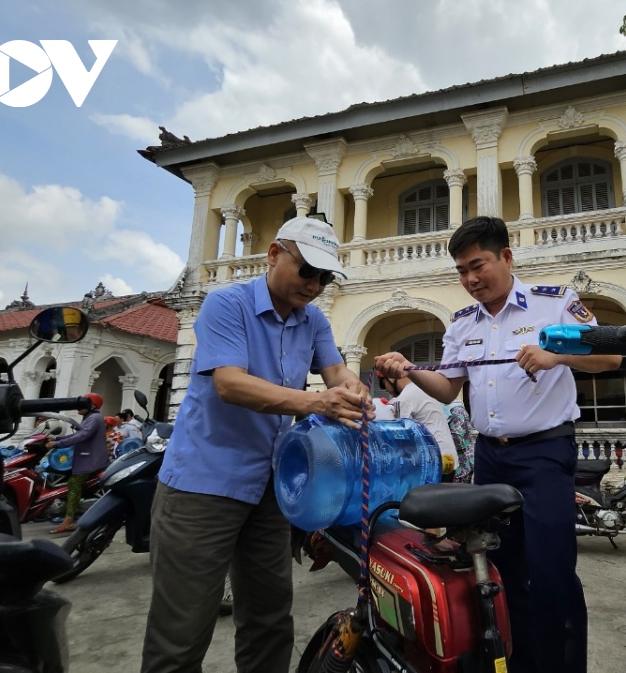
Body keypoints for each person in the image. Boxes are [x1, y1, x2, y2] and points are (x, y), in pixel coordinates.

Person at [374, 216, 621, 673]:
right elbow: (448, 389)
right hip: (490, 458)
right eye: (462, 271)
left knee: (551, 574)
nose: (470, 279)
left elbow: (611, 357)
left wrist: (556, 356)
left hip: (544, 454)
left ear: (506, 257)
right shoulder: (463, 323)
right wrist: (408, 369)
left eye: (478, 265)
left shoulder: (555, 303)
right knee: (500, 574)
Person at [140, 216, 371, 673]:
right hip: (203, 487)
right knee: (182, 631)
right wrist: (316, 403)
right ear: (273, 254)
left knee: (269, 619)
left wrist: (354, 389)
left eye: (325, 277)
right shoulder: (226, 304)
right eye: (307, 271)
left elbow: (336, 371)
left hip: (270, 487)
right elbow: (230, 385)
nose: (315, 285)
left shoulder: (314, 320)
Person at [45, 392, 108, 534]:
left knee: (74, 483)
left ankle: (68, 521)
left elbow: (82, 435)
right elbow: (76, 434)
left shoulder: (94, 418)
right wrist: (57, 439)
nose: (78, 407)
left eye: (82, 404)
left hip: (91, 460)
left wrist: (56, 444)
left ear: (91, 405)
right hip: (85, 458)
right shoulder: (90, 417)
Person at [377, 371, 458, 476]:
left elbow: (401, 436)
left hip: (433, 462)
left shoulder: (405, 397)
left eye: (383, 384)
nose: (386, 389)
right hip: (448, 458)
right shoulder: (423, 389)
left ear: (391, 378)